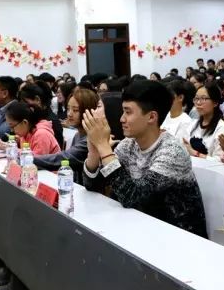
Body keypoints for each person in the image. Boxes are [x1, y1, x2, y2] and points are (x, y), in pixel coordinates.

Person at [82, 80, 207, 238]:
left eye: (128, 112)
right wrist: (94, 151)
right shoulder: (128, 145)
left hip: (179, 239)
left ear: (152, 117)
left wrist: (104, 147)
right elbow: (93, 185)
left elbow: (132, 197)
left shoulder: (172, 152)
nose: (121, 119)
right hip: (142, 229)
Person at [34, 88, 99, 182]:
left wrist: (29, 159)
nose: (69, 114)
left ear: (88, 111)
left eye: (75, 110)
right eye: (68, 109)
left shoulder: (91, 139)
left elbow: (64, 158)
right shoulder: (77, 135)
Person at [183, 82, 224, 160]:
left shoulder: (222, 128)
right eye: (196, 98)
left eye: (203, 98)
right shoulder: (192, 124)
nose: (198, 103)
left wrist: (195, 153)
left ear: (215, 103)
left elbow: (220, 160)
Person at [19, 82, 64, 149]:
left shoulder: (52, 122)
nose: (23, 107)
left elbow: (56, 152)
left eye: (25, 103)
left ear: (37, 99)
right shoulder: (34, 117)